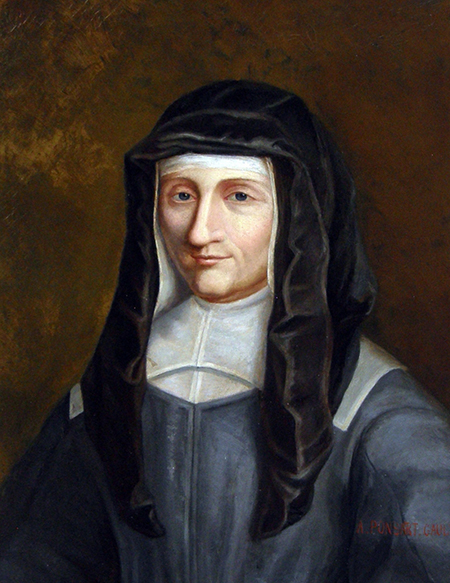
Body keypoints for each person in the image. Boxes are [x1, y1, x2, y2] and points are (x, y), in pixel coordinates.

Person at [1, 80, 449, 582]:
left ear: (298, 215)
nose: (199, 232)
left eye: (239, 196)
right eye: (181, 195)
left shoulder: (372, 409)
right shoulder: (107, 391)